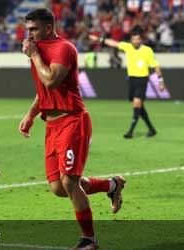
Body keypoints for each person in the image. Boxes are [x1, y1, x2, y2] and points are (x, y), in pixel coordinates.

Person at [19, 9, 125, 249]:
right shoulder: (40, 51)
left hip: (72, 120)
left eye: (34, 29)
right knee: (58, 187)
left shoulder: (63, 48)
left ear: (48, 28)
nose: (29, 34)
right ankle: (111, 185)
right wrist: (30, 115)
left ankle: (89, 239)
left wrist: (34, 55)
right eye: (28, 29)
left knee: (69, 182)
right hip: (53, 125)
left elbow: (51, 80)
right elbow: (44, 90)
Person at [90, 26, 165, 139]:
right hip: (131, 80)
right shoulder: (128, 47)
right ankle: (151, 129)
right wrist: (99, 39)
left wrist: (161, 81)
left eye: (137, 39)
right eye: (133, 39)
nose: (135, 41)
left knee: (136, 104)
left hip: (142, 80)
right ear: (131, 40)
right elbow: (113, 43)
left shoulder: (147, 51)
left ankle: (130, 131)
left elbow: (156, 66)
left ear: (141, 39)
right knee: (139, 106)